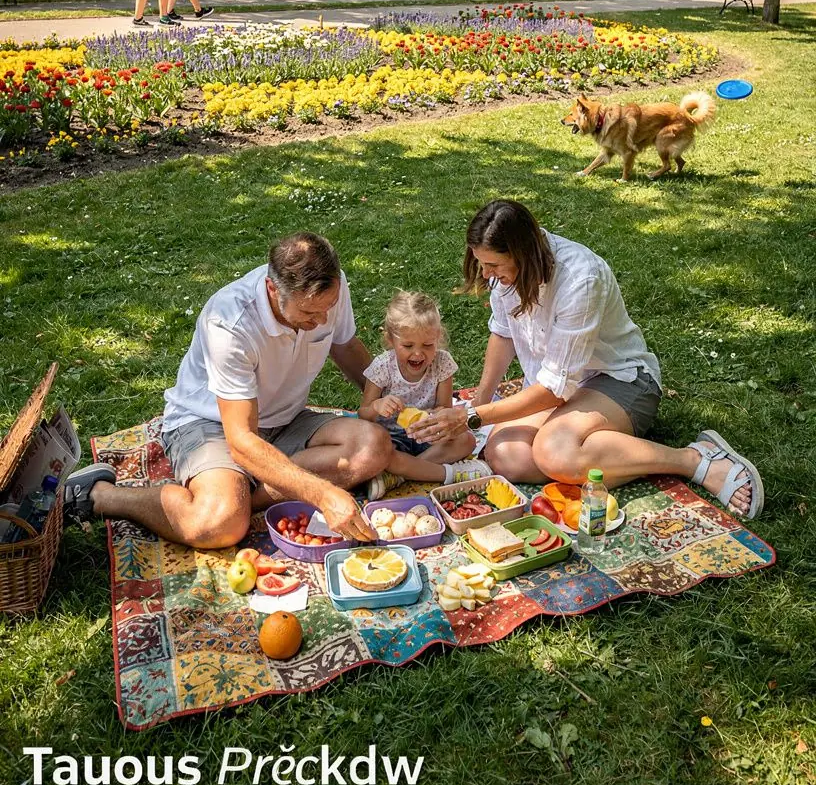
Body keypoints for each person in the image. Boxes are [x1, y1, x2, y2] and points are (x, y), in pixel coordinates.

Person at [410, 200, 763, 519]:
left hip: (620, 381)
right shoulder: (505, 273)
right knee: (506, 457)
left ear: (523, 252)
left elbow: (552, 390)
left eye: (493, 265)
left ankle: (694, 459)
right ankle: (602, 451)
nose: (486, 275)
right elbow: (502, 334)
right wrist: (480, 403)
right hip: (566, 389)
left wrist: (470, 417)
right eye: (481, 264)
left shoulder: (580, 278)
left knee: (555, 453)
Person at [62, 234, 387, 547]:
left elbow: (344, 345)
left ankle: (245, 496)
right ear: (273, 289)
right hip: (210, 423)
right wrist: (322, 492)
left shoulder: (330, 288)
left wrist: (391, 401)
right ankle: (103, 496)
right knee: (217, 526)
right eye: (308, 313)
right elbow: (242, 440)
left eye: (327, 308)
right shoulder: (229, 323)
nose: (321, 320)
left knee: (372, 446)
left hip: (286, 419)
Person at [360, 290, 488, 495]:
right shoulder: (383, 366)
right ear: (391, 340)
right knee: (376, 452)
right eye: (408, 345)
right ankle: (450, 474)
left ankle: (400, 475)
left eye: (428, 345)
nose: (418, 353)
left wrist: (434, 417)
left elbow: (444, 407)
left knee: (467, 440)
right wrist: (377, 406)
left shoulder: (442, 363)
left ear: (438, 338)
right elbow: (363, 412)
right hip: (391, 438)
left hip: (428, 436)